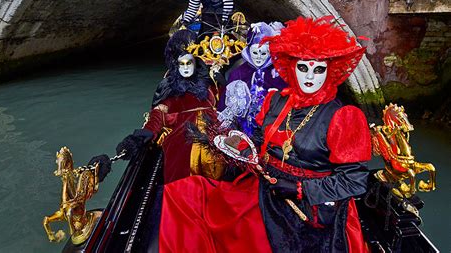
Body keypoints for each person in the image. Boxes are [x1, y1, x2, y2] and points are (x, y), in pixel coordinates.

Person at [158, 16, 371, 252]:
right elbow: (260, 144)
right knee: (185, 193)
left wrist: (300, 189)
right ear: (292, 67)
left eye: (318, 69)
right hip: (263, 185)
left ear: (329, 72)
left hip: (308, 204)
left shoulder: (344, 117)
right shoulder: (276, 101)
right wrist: (239, 146)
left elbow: (355, 180)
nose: (310, 78)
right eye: (303, 68)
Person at [90, 30, 225, 184]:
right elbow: (159, 114)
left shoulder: (208, 85)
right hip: (184, 134)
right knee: (185, 150)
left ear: (196, 63)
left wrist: (223, 85)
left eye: (189, 63)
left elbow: (220, 104)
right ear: (176, 64)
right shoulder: (171, 91)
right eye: (182, 64)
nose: (186, 68)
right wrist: (142, 136)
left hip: (212, 130)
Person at [218, 22, 287, 136]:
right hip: (239, 130)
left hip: (267, 130)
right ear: (249, 51)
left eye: (263, 52)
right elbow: (225, 105)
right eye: (255, 52)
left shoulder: (278, 76)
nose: (259, 57)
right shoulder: (238, 73)